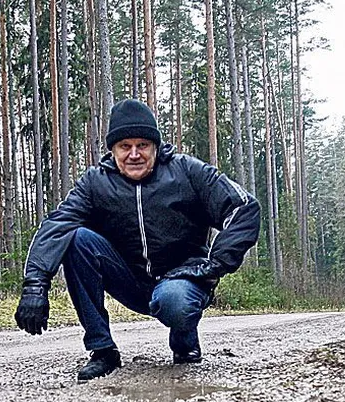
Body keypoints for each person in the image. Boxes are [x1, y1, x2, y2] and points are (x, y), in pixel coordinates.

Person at [15, 98, 261, 381]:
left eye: (142, 145)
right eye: (125, 146)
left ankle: (184, 342)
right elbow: (57, 225)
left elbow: (244, 207)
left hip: (181, 280)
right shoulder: (96, 182)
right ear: (113, 150)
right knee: (77, 238)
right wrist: (35, 285)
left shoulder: (188, 172)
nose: (134, 154)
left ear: (155, 146)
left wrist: (214, 265)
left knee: (175, 301)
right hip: (129, 280)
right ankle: (102, 349)